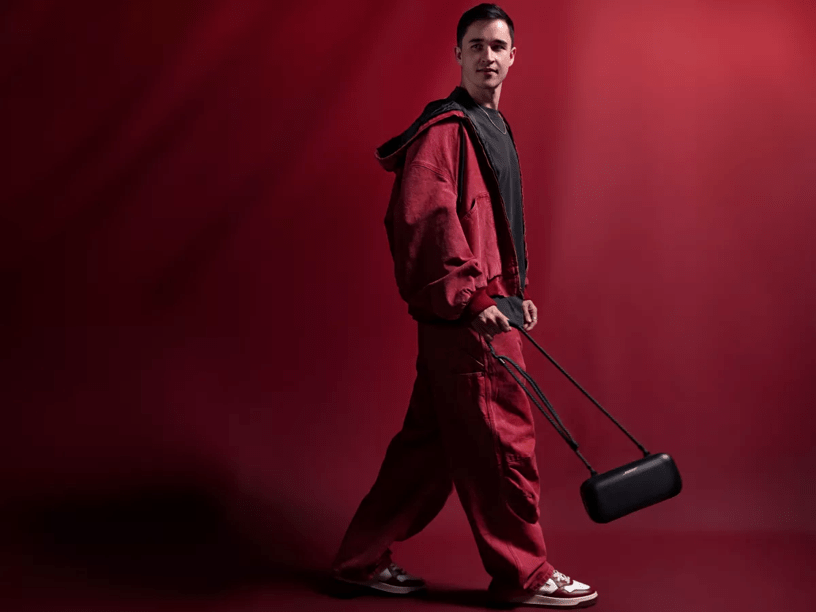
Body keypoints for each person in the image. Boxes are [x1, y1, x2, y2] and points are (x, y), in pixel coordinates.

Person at [330, 4, 597, 608]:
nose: (487, 56)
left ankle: (358, 560)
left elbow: (488, 226)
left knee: (426, 452)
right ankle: (525, 575)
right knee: (504, 445)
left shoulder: (490, 126)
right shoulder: (445, 130)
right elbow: (423, 221)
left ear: (513, 56)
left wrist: (514, 295)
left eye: (498, 46)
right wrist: (475, 297)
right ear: (457, 54)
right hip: (468, 323)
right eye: (475, 45)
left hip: (481, 313)